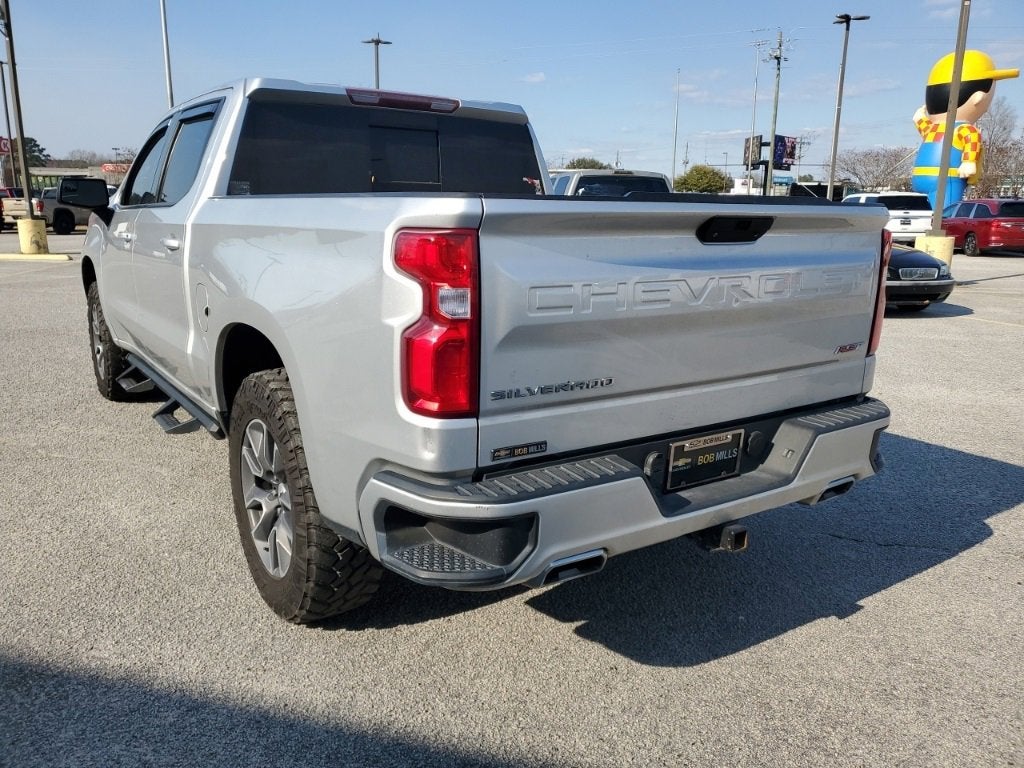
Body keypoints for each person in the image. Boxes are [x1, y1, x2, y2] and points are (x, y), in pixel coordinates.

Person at [911, 50, 1018, 208]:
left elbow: (924, 128)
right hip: (949, 179)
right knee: (947, 213)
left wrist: (919, 118)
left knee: (929, 214)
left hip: (920, 177)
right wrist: (969, 162)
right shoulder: (965, 129)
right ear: (978, 97)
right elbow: (972, 142)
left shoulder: (934, 129)